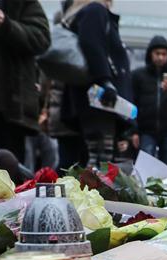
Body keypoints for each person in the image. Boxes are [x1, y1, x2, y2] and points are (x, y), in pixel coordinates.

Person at [62, 0, 132, 167]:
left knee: (96, 155)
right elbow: (92, 45)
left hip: (93, 98)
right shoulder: (95, 10)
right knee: (101, 158)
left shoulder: (86, 12)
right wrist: (105, 81)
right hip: (101, 99)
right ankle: (95, 192)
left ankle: (91, 191)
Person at [0, 0, 51, 164]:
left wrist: (6, 25)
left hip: (9, 107)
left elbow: (42, 38)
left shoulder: (23, 3)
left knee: (9, 167)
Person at [130, 35, 167, 169]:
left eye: (164, 54)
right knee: (144, 170)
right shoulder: (137, 76)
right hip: (145, 131)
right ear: (150, 54)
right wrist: (133, 131)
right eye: (157, 53)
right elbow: (131, 104)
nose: (161, 57)